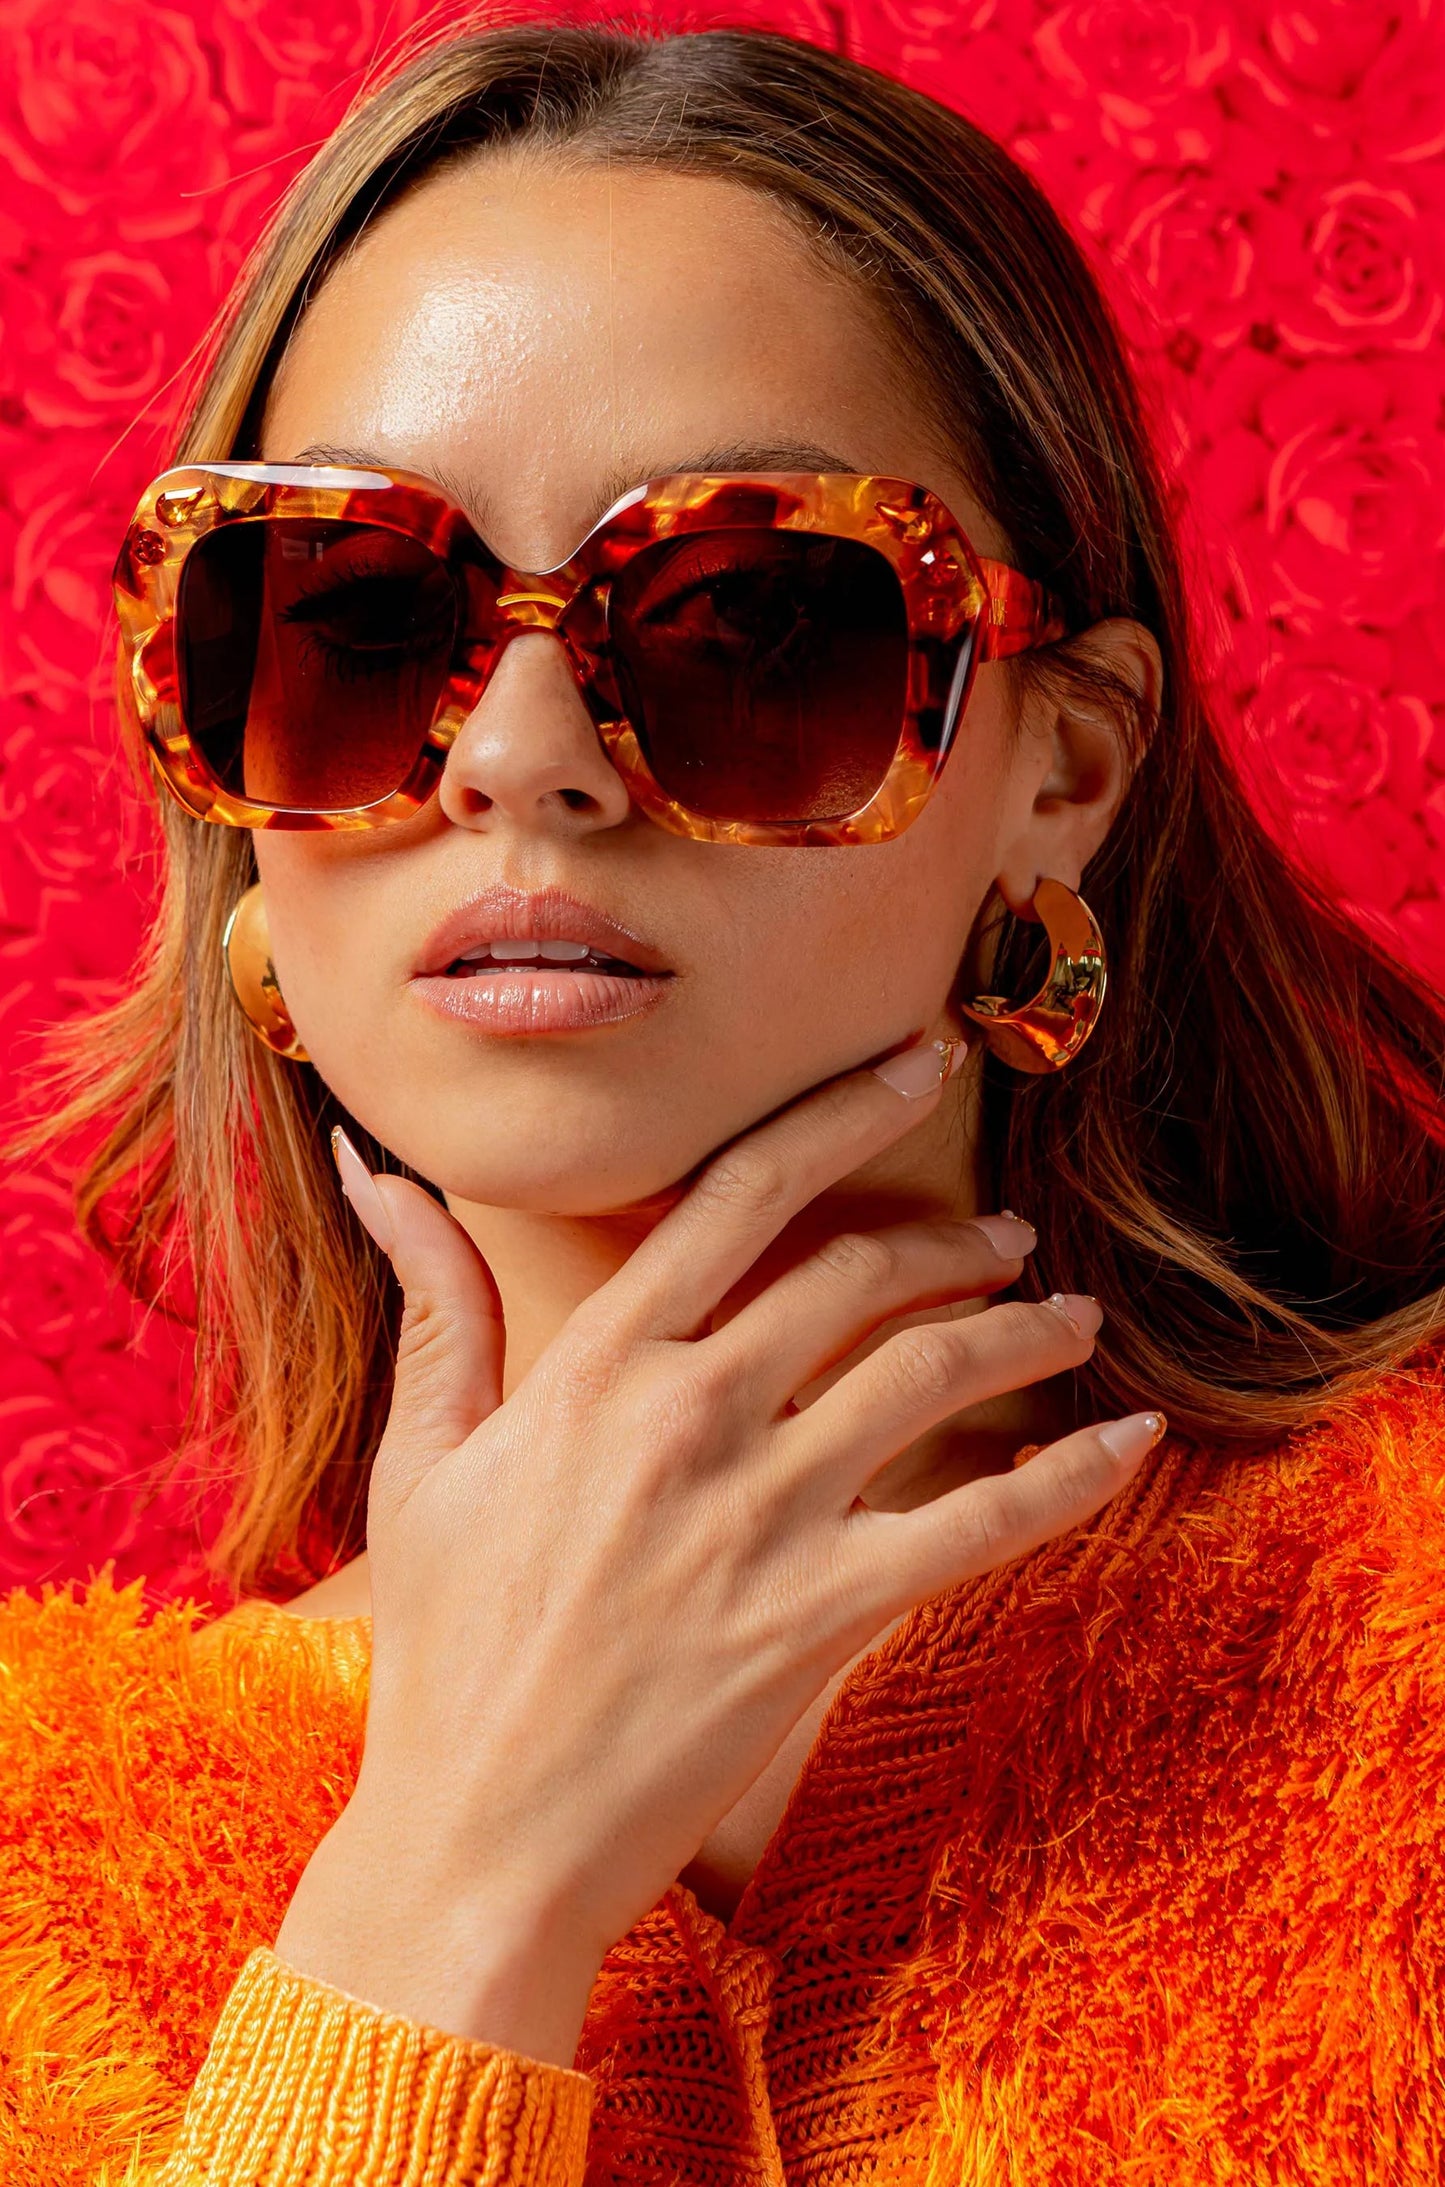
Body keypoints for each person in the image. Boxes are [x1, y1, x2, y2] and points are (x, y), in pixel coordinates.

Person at [3, 17, 1443, 2185]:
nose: (519, 758)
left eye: (748, 620)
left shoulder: (1407, 1646)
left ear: (1059, 765)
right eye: (364, 620)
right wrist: (456, 1880)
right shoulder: (36, 1859)